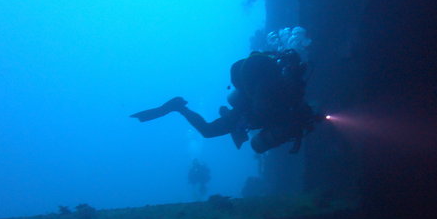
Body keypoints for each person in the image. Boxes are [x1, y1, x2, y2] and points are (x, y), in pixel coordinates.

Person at [130, 50, 320, 154]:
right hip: (246, 111)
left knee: (213, 130)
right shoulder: (287, 87)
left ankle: (182, 109)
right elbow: (264, 112)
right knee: (208, 131)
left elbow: (272, 111)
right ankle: (179, 107)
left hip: (249, 109)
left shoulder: (283, 82)